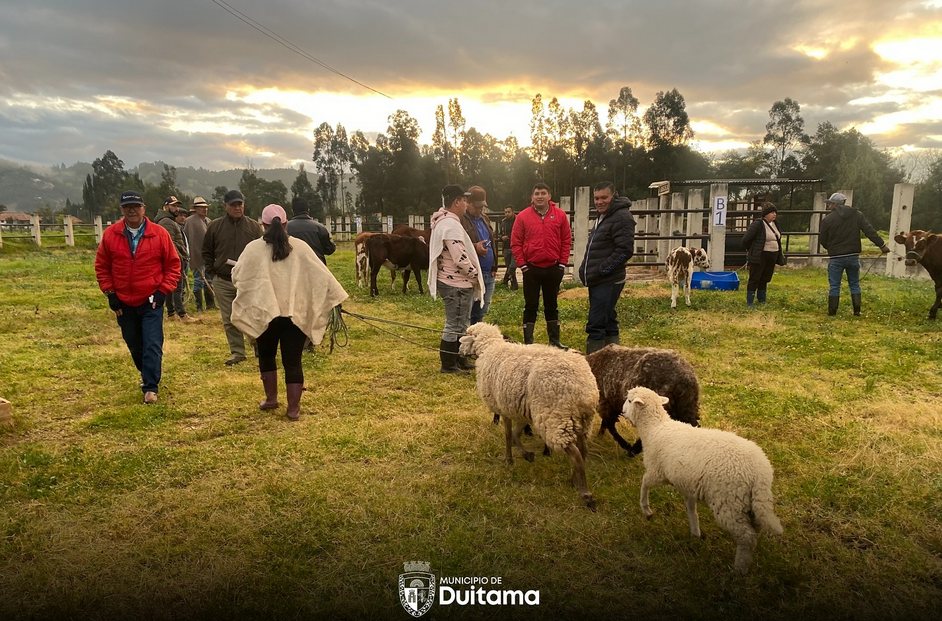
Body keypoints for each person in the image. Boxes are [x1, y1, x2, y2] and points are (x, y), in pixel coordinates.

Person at [231, 204, 347, 420]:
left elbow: (237, 277)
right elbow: (322, 277)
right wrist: (333, 300)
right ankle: (293, 409)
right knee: (292, 361)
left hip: (265, 314)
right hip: (295, 316)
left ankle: (271, 399)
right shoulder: (301, 248)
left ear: (263, 224)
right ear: (285, 223)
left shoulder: (253, 249)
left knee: (266, 355)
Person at [94, 190, 181, 404]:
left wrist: (163, 291)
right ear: (121, 210)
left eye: (135, 206)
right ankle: (146, 373)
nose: (131, 210)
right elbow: (102, 266)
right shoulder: (111, 235)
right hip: (123, 302)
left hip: (152, 300)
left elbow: (173, 265)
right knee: (134, 343)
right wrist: (110, 293)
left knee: (152, 343)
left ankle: (150, 387)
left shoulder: (159, 234)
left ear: (144, 208)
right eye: (127, 207)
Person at [202, 189, 263, 365]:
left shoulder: (254, 227)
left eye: (240, 204)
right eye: (233, 205)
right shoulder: (215, 226)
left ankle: (258, 345)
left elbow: (262, 253)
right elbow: (206, 251)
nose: (237, 208)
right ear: (225, 206)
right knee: (229, 318)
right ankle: (238, 352)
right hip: (223, 280)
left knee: (253, 315)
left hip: (248, 280)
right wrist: (212, 273)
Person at [428, 184, 484, 373]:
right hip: (455, 282)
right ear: (456, 202)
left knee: (461, 322)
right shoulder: (450, 225)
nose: (467, 204)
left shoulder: (445, 221)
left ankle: (459, 358)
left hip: (455, 281)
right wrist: (475, 274)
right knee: (454, 323)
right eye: (465, 200)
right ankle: (449, 363)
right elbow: (459, 258)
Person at [510, 182, 572, 348]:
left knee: (552, 305)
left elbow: (566, 240)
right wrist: (523, 265)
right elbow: (515, 243)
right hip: (531, 268)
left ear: (549, 196)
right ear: (532, 197)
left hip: (553, 267)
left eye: (543, 193)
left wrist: (562, 264)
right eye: (536, 193)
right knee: (531, 305)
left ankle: (554, 341)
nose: (540, 196)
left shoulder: (560, 215)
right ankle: (528, 343)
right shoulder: (523, 217)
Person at [578, 182, 635, 354]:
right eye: (596, 198)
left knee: (596, 324)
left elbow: (624, 250)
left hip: (608, 279)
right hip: (599, 279)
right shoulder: (605, 216)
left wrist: (602, 270)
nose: (599, 202)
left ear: (613, 196)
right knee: (608, 319)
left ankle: (594, 361)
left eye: (604, 197)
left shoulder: (621, 217)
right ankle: (613, 359)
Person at [819, 192, 890, 316]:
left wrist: (831, 248)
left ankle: (832, 312)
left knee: (835, 285)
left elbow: (822, 239)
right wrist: (882, 245)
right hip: (853, 256)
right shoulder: (857, 215)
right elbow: (870, 231)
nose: (829, 206)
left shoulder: (827, 220)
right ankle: (857, 311)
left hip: (836, 257)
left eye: (830, 204)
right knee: (854, 284)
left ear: (835, 204)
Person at [155, 196, 197, 322]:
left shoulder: (167, 220)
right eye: (173, 206)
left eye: (177, 206)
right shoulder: (167, 222)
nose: (177, 208)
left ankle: (171, 314)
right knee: (177, 288)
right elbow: (170, 244)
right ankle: (182, 314)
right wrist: (179, 259)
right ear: (166, 207)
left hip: (172, 259)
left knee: (171, 287)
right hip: (174, 260)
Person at [461, 185, 497, 325]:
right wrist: (475, 247)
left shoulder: (485, 219)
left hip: (488, 274)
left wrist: (494, 266)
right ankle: (466, 335)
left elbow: (492, 241)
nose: (479, 209)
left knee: (481, 310)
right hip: (472, 274)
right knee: (468, 312)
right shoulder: (461, 220)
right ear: (467, 202)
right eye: (476, 206)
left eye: (481, 206)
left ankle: (477, 335)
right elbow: (457, 244)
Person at [741, 202, 782, 308]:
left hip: (772, 255)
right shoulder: (758, 224)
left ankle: (762, 299)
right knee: (755, 277)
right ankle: (750, 301)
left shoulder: (775, 224)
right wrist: (753, 250)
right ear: (766, 214)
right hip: (760, 255)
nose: (774, 214)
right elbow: (746, 239)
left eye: (775, 212)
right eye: (772, 212)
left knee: (765, 277)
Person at [184, 196, 216, 312]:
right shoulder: (190, 221)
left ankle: (210, 304)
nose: (204, 209)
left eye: (205, 207)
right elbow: (188, 238)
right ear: (196, 209)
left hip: (209, 257)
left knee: (209, 279)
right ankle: (199, 307)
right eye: (202, 207)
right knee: (198, 280)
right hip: (197, 255)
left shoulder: (209, 221)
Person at [286, 197, 336, 264]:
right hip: (317, 267)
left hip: (294, 267)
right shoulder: (320, 228)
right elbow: (330, 249)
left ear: (292, 211)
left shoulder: (285, 229)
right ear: (308, 210)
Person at [499, 205, 518, 290]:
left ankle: (505, 279)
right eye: (505, 212)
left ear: (513, 212)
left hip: (515, 246)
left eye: (508, 212)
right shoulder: (503, 222)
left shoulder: (518, 220)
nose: (507, 214)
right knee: (509, 266)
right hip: (506, 246)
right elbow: (499, 234)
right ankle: (514, 285)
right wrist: (502, 237)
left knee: (513, 266)